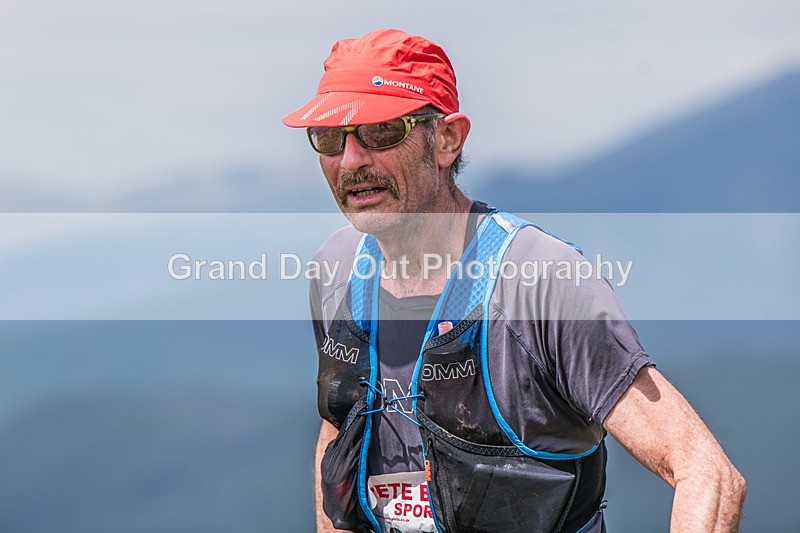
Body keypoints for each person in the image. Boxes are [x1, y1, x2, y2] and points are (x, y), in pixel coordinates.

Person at [283, 29, 745, 533]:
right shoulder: (337, 269)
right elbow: (340, 425)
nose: (351, 160)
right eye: (329, 137)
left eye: (383, 131)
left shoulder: (542, 283)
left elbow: (707, 473)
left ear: (447, 140)